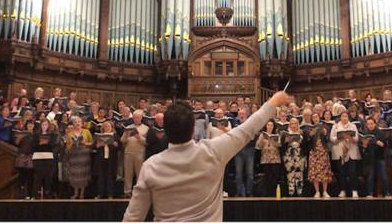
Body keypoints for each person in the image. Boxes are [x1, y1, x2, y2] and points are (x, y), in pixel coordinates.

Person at [123, 91, 291, 221]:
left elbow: (132, 218)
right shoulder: (213, 151)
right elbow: (247, 130)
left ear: (165, 130)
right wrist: (274, 101)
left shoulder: (151, 166)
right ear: (192, 129)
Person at [330, 112, 361, 198]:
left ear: (348, 117)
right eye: (343, 116)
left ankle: (354, 190)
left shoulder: (353, 126)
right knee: (341, 173)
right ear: (340, 117)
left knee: (352, 172)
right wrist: (340, 138)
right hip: (340, 152)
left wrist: (351, 138)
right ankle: (342, 190)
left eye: (346, 116)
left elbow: (357, 138)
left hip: (351, 152)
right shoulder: (335, 126)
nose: (344, 118)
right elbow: (332, 139)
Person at [360, 117, 391, 198]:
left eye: (371, 124)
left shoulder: (380, 133)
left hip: (380, 157)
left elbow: (384, 145)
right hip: (370, 158)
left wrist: (377, 142)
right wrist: (364, 145)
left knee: (384, 176)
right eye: (368, 124)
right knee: (370, 176)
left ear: (375, 124)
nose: (370, 125)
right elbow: (363, 150)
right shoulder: (365, 133)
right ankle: (370, 193)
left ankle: (387, 193)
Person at [121, 109, 148, 198]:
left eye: (138, 117)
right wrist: (126, 134)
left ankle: (139, 191)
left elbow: (146, 143)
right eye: (135, 117)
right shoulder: (129, 127)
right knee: (128, 173)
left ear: (141, 118)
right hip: (128, 152)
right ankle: (127, 191)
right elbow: (122, 141)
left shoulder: (146, 128)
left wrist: (138, 137)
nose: (136, 119)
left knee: (139, 173)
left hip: (139, 153)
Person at [67, 116, 93, 199]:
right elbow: (67, 147)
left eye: (79, 121)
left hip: (84, 155)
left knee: (83, 174)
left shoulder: (86, 131)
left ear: (82, 123)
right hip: (74, 155)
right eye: (75, 122)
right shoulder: (70, 133)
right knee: (75, 174)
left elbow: (92, 143)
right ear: (73, 124)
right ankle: (75, 193)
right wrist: (73, 144)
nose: (77, 123)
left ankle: (82, 193)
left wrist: (84, 143)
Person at [32, 118, 58, 199]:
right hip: (37, 156)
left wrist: (46, 143)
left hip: (48, 156)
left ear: (48, 126)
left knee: (48, 176)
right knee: (38, 176)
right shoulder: (36, 135)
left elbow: (53, 145)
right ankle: (36, 194)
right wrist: (40, 143)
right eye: (43, 125)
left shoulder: (52, 135)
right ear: (40, 125)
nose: (44, 126)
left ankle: (47, 192)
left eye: (46, 125)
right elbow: (33, 145)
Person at [95, 121, 120, 199]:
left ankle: (110, 194)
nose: (107, 128)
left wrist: (116, 144)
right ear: (103, 128)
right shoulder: (100, 136)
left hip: (111, 159)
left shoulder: (115, 136)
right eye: (106, 127)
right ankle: (100, 194)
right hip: (101, 159)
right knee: (101, 177)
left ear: (112, 128)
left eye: (109, 127)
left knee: (110, 177)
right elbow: (95, 146)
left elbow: (120, 147)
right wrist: (98, 145)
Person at [307, 123, 332, 198]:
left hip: (323, 152)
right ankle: (317, 191)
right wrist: (310, 136)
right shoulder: (310, 131)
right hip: (314, 153)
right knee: (315, 173)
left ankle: (325, 191)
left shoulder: (324, 130)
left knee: (324, 172)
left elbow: (328, 141)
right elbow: (307, 143)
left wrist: (326, 134)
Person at [234, 108, 255, 197]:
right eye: (240, 114)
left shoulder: (250, 124)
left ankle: (249, 192)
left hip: (249, 150)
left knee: (250, 173)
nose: (241, 115)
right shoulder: (235, 124)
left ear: (246, 115)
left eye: (243, 114)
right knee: (238, 173)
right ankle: (239, 192)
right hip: (238, 150)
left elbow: (253, 137)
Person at [281, 118, 305, 197]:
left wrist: (301, 142)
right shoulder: (285, 134)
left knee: (299, 174)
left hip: (299, 156)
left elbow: (306, 147)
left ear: (298, 125)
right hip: (289, 156)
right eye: (292, 123)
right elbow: (281, 147)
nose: (294, 125)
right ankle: (291, 192)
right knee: (290, 174)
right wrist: (286, 142)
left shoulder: (301, 133)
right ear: (289, 125)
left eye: (295, 123)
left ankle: (299, 191)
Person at [257, 120, 281, 197]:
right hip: (265, 159)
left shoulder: (276, 135)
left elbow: (279, 145)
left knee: (274, 177)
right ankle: (267, 194)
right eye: (268, 125)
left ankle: (274, 193)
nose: (270, 127)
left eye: (271, 125)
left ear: (273, 127)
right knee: (267, 177)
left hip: (275, 158)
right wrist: (262, 139)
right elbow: (259, 146)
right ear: (266, 126)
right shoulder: (262, 135)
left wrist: (272, 141)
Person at [14, 120, 35, 199]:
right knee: (22, 175)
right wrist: (19, 138)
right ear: (26, 125)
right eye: (29, 124)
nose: (30, 125)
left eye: (32, 124)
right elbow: (16, 143)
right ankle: (21, 194)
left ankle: (30, 194)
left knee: (30, 176)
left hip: (31, 156)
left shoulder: (35, 135)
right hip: (22, 155)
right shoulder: (22, 133)